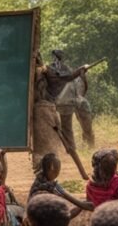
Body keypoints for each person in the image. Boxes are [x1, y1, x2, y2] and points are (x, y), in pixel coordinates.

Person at [32, 51, 89, 179]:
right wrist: (81, 70)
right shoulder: (49, 72)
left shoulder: (45, 72)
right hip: (49, 111)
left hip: (44, 112)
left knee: (60, 143)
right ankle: (83, 173)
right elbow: (70, 76)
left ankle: (82, 172)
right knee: (67, 141)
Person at [53, 50, 94, 149]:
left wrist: (83, 74)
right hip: (66, 103)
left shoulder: (71, 74)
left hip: (76, 101)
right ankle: (69, 147)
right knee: (66, 127)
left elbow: (83, 89)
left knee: (86, 125)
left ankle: (89, 143)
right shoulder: (58, 72)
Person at [27, 153, 94, 213]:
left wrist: (82, 204)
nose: (59, 169)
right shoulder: (47, 187)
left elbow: (65, 194)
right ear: (52, 167)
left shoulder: (42, 178)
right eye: (58, 166)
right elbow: (72, 200)